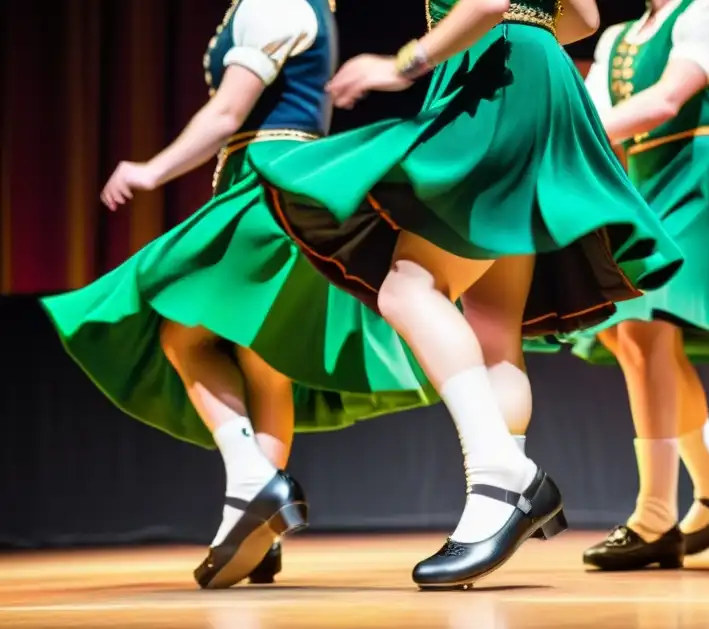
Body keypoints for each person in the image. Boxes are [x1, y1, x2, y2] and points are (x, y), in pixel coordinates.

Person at [251, 0, 685, 588]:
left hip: (492, 74)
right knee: (494, 333)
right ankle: (491, 505)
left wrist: (403, 63)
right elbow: (583, 16)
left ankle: (506, 478)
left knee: (408, 290)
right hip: (538, 71)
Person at [42, 0, 437, 589]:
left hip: (263, 181)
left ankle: (251, 487)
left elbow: (227, 113)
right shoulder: (312, 11)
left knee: (180, 328)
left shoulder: (272, 6)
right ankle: (257, 530)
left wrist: (151, 170)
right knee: (264, 356)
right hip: (295, 184)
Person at [539, 0, 709, 572]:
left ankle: (655, 517)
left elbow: (664, 100)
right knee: (626, 338)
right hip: (642, 180)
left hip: (696, 175)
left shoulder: (707, 10)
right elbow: (587, 111)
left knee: (640, 326)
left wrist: (560, 146)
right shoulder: (617, 37)